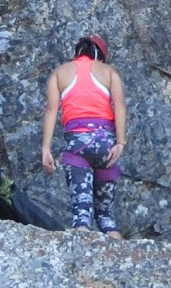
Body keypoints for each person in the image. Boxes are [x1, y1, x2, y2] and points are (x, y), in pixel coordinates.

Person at [41, 33, 127, 236]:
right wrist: (120, 142)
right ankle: (119, 254)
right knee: (106, 218)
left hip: (77, 145)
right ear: (100, 56)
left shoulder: (59, 73)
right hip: (106, 144)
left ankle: (82, 254)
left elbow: (51, 110)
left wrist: (46, 149)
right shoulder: (109, 72)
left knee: (81, 216)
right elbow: (120, 105)